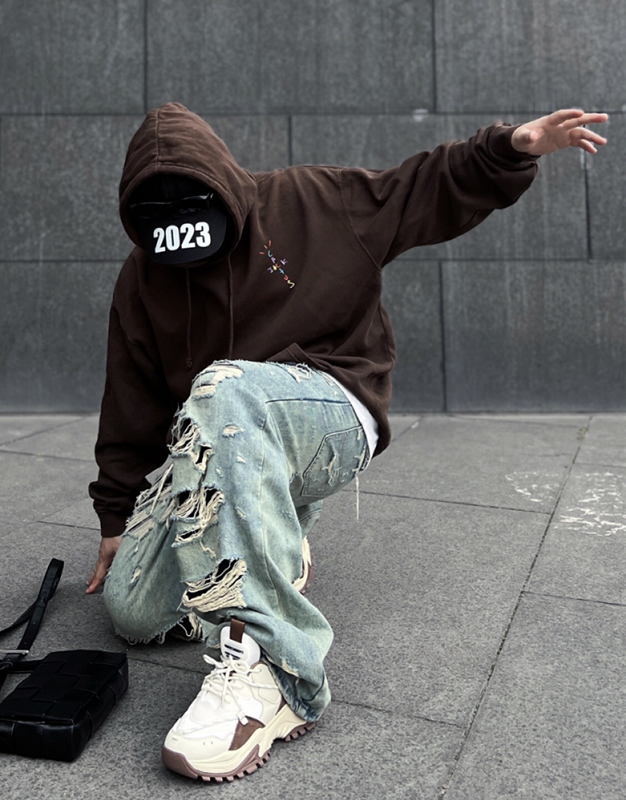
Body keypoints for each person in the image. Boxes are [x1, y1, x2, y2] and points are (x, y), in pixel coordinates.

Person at [85, 103, 607, 782]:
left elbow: (420, 189)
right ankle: (272, 538)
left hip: (332, 408)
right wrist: (116, 515)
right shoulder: (144, 276)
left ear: (222, 185)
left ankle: (278, 674)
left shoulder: (313, 201)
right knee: (132, 612)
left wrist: (508, 149)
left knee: (222, 388)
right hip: (226, 436)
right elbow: (130, 400)